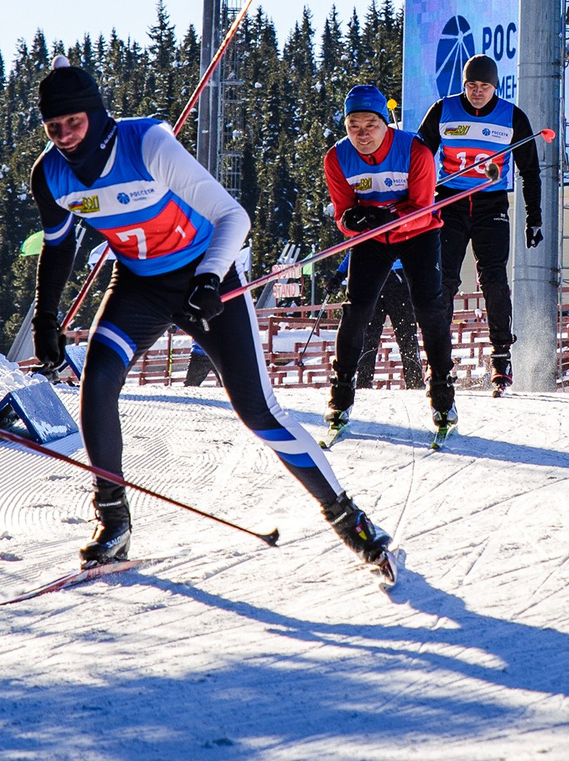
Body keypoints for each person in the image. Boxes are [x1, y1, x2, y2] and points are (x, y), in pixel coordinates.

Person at [25, 60, 396, 581]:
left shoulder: (148, 145)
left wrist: (207, 278)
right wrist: (46, 317)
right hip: (138, 285)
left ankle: (347, 518)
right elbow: (59, 246)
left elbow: (234, 217)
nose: (64, 136)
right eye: (53, 127)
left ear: (95, 114)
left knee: (258, 413)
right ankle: (112, 521)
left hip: (207, 274)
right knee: (98, 380)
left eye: (74, 123)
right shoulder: (51, 173)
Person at [323, 85, 458, 440]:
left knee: (429, 307)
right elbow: (343, 211)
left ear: (386, 124)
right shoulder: (336, 159)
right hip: (374, 238)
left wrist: (390, 217)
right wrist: (353, 221)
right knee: (356, 310)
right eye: (354, 126)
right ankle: (341, 390)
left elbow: (423, 205)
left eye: (371, 124)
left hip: (419, 232)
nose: (362, 134)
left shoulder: (415, 151)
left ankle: (442, 387)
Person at [416, 54, 543, 393]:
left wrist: (534, 216)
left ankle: (501, 359)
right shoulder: (442, 111)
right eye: (471, 86)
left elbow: (530, 170)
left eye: (484, 86)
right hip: (449, 202)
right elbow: (418, 157)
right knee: (443, 283)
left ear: (495, 87)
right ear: (463, 85)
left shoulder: (512, 117)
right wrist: (415, 201)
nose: (477, 92)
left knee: (494, 281)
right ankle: (437, 361)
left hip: (491, 205)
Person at [354, 263, 426, 392]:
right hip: (373, 278)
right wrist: (340, 274)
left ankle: (415, 381)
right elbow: (355, 249)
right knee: (369, 335)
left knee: (406, 335)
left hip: (397, 278)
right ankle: (363, 381)